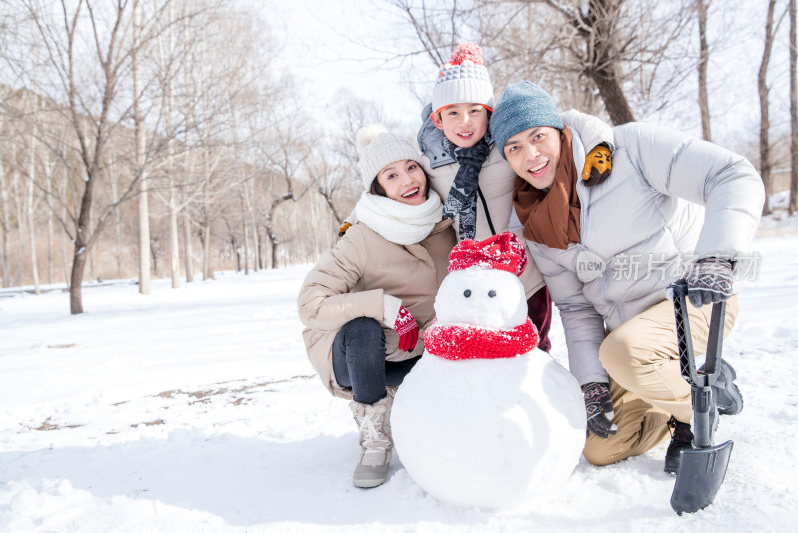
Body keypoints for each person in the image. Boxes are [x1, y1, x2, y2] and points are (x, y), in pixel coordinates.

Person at [489, 81, 764, 474]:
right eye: (514, 147)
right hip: (630, 340)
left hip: (694, 299)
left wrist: (716, 257)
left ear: (560, 132)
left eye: (538, 136)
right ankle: (683, 388)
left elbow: (731, 174)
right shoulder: (532, 222)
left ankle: (695, 413)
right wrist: (592, 385)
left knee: (624, 352)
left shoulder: (630, 149)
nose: (530, 155)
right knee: (601, 447)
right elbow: (575, 307)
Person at [416, 42, 615, 352]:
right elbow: (392, 184)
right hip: (475, 280)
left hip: (527, 272)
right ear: (438, 119)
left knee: (536, 346)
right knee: (486, 354)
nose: (465, 121)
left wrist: (600, 144)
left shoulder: (509, 144)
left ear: (489, 112)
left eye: (475, 110)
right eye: (452, 112)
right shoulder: (430, 162)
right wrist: (353, 221)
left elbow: (569, 121)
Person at [297, 125, 457, 489]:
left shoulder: (446, 223)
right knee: (363, 328)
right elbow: (310, 304)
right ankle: (374, 438)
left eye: (411, 167)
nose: (407, 180)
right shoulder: (363, 235)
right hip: (361, 357)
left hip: (419, 353)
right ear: (378, 187)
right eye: (391, 175)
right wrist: (382, 306)